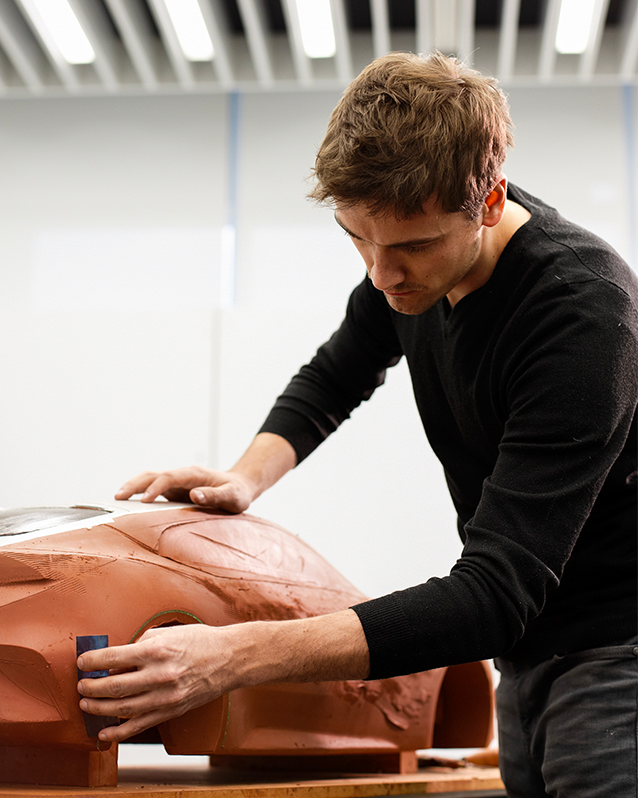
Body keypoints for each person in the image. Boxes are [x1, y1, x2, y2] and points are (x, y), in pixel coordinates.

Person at [76, 52, 638, 798]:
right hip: (528, 652)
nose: (381, 274)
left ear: (491, 201)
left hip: (617, 650)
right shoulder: (409, 255)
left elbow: (493, 595)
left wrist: (232, 657)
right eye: (356, 238)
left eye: (410, 247)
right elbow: (339, 371)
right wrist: (246, 476)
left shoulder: (584, 318)